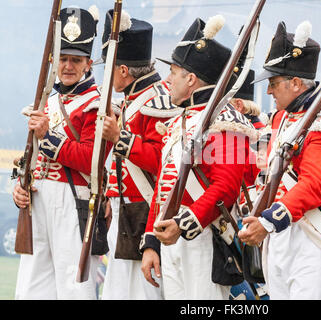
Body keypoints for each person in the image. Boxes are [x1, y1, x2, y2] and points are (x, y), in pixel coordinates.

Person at [237, 21, 321, 300]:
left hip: (311, 239)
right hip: (280, 235)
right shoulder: (283, 117)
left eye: (273, 83)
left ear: (295, 83)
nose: (269, 91)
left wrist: (268, 222)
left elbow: (313, 187)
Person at [139, 15, 259, 300]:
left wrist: (183, 224)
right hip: (172, 237)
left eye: (175, 72)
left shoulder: (226, 119)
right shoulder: (182, 120)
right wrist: (152, 242)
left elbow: (226, 186)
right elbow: (163, 189)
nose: (168, 79)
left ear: (191, 78)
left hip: (204, 236)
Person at [12, 6, 109, 299]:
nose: (68, 66)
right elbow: (32, 158)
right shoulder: (48, 100)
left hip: (73, 201)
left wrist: (48, 136)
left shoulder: (98, 104)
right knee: (32, 288)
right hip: (38, 200)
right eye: (63, 59)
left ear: (88, 64)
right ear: (54, 61)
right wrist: (22, 185)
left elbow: (91, 160)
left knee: (73, 288)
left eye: (75, 60)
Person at [99, 10, 181, 300]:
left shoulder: (158, 101)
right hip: (126, 208)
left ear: (122, 71)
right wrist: (111, 193)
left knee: (142, 292)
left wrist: (119, 138)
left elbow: (164, 161)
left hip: (144, 209)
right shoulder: (131, 98)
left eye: (110, 68)